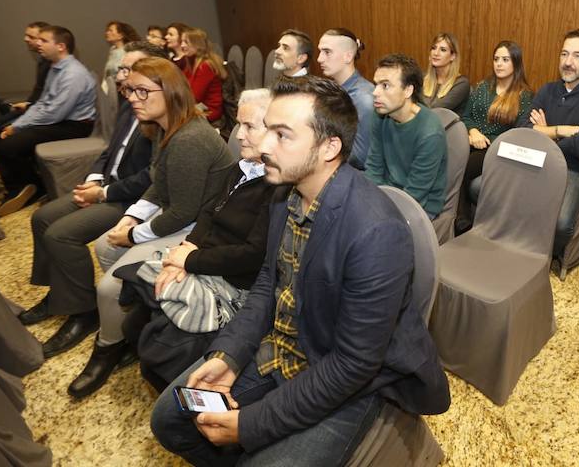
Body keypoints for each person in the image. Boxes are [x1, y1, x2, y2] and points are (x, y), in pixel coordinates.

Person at [150, 75, 450, 466]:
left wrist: (252, 423)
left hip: (348, 379)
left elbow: (353, 365)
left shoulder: (378, 232)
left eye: (282, 134)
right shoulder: (283, 193)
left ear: (329, 147)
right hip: (283, 347)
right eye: (267, 130)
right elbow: (266, 286)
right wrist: (229, 355)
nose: (263, 145)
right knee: (169, 419)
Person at [66, 57, 234, 398]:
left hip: (201, 230)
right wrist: (132, 217)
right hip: (182, 217)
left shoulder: (191, 138)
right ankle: (138, 319)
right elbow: (159, 185)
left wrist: (132, 234)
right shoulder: (164, 128)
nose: (132, 97)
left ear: (170, 92)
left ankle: (108, 346)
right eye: (130, 90)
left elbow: (183, 212)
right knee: (104, 246)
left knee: (108, 289)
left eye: (142, 90)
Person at [118, 88, 285, 392]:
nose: (238, 136)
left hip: (236, 281)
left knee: (155, 340)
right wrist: (187, 248)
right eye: (238, 125)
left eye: (249, 127)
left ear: (276, 132)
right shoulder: (241, 168)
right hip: (207, 258)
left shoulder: (278, 187)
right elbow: (209, 212)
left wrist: (190, 262)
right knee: (139, 299)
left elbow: (252, 255)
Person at [16, 42, 165, 356]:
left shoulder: (161, 111)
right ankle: (59, 291)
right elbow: (109, 150)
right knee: (41, 218)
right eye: (122, 69)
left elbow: (153, 176)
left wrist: (105, 192)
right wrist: (94, 179)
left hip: (130, 199)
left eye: (129, 69)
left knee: (61, 235)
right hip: (106, 187)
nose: (121, 76)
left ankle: (82, 311)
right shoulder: (129, 103)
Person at [519, 29, 579, 263]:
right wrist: (559, 131)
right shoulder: (547, 90)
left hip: (575, 168)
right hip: (536, 160)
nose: (568, 62)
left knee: (561, 225)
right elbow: (522, 127)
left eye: (577, 56)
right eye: (564, 54)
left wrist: (543, 134)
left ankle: (540, 259)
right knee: (481, 189)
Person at [0, 26, 97, 216]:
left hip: (75, 126)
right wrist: (17, 125)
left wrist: (18, 127)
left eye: (44, 40)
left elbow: (55, 113)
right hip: (59, 120)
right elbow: (42, 103)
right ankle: (28, 184)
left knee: (7, 146)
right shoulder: (55, 68)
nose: (38, 43)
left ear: (61, 46)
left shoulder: (73, 74)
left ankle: (24, 187)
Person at [456, 40, 533, 232]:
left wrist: (486, 141)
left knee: (464, 166)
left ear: (515, 63)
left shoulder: (524, 96)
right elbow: (466, 116)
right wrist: (473, 132)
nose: (498, 63)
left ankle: (461, 223)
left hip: (498, 149)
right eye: (496, 59)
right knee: (449, 158)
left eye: (505, 59)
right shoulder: (482, 87)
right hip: (472, 140)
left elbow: (519, 133)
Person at [365, 54, 447, 220]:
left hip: (420, 205)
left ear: (408, 90)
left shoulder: (430, 133)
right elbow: (374, 168)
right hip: (387, 193)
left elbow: (415, 194)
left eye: (385, 86)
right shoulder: (379, 114)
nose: (375, 92)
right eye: (376, 85)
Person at [317, 28, 374, 168]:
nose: (319, 59)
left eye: (327, 52)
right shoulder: (332, 91)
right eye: (320, 51)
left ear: (348, 56)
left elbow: (360, 158)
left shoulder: (364, 99)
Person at [0, 21, 52, 129]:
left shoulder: (53, 64)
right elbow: (39, 90)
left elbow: (49, 99)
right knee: (1, 121)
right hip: (33, 106)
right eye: (26, 35)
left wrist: (29, 107)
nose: (25, 39)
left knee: (3, 126)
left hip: (41, 111)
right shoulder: (42, 60)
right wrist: (27, 104)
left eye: (30, 36)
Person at [181, 27, 226, 125]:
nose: (182, 45)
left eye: (186, 42)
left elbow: (194, 96)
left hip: (209, 111)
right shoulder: (191, 63)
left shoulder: (205, 66)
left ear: (197, 45)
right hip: (197, 108)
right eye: (182, 41)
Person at [421, 32, 470, 115]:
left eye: (443, 50)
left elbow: (436, 111)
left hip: (445, 127)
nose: (436, 53)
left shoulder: (461, 83)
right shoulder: (422, 78)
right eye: (434, 48)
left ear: (453, 56)